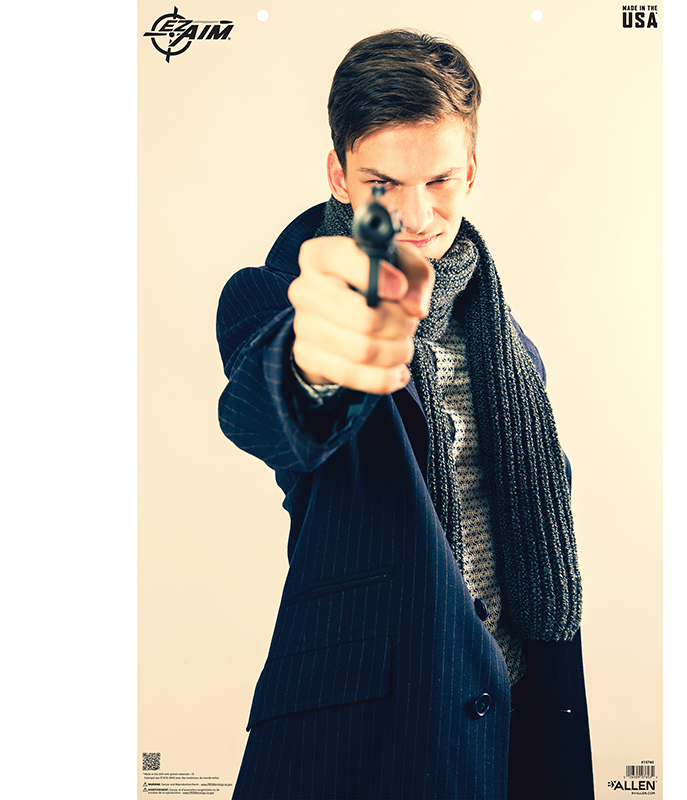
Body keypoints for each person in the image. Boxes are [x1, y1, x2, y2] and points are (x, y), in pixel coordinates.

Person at [217, 28, 594, 800]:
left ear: (471, 171)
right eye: (384, 183)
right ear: (340, 175)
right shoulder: (282, 298)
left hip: (518, 706)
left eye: (441, 180)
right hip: (373, 729)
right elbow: (272, 409)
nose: (418, 214)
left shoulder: (508, 342)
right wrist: (317, 361)